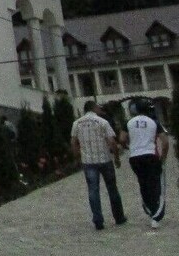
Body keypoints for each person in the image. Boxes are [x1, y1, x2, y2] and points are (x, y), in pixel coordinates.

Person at [71, 100, 126, 230]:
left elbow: (73, 142)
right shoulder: (103, 122)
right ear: (94, 108)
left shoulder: (76, 123)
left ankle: (98, 220)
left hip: (88, 161)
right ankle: (119, 217)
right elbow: (112, 142)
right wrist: (116, 157)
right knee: (112, 188)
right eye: (98, 107)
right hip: (105, 159)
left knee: (93, 190)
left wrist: (77, 157)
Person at [121, 99, 169, 229]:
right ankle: (156, 214)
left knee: (143, 183)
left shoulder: (129, 123)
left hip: (135, 157)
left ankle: (148, 208)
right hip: (151, 155)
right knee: (155, 184)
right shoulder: (154, 122)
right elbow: (165, 141)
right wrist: (163, 157)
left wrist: (130, 146)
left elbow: (122, 139)